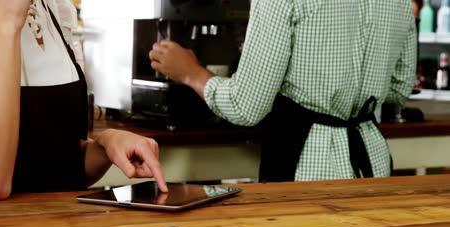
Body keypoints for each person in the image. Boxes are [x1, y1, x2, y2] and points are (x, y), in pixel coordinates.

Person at [150, 0, 417, 182]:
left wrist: (191, 73)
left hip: (307, 168)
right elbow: (399, 87)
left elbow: (247, 106)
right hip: (373, 160)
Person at [0, 0, 168, 200]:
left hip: (64, 224)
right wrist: (7, 23)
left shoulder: (53, 8)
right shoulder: (7, 19)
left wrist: (106, 145)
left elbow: (59, 162)